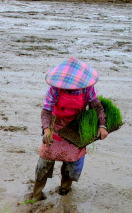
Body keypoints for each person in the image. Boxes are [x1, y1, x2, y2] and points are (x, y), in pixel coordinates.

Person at [32, 57, 108, 200]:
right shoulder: (55, 89)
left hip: (75, 130)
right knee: (44, 162)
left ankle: (64, 191)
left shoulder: (87, 89)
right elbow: (46, 111)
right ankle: (36, 194)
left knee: (72, 163)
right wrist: (47, 129)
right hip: (56, 127)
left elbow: (97, 107)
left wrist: (102, 125)